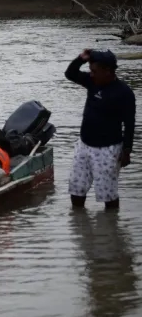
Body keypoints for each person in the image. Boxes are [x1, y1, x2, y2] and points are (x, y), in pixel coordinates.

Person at [65, 49, 135, 209]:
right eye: (90, 70)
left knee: (108, 195)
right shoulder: (92, 82)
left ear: (107, 71)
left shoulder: (124, 93)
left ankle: (110, 229)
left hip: (108, 150)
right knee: (76, 190)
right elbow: (70, 74)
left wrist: (127, 150)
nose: (91, 74)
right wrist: (80, 59)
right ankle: (79, 223)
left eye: (94, 71)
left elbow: (129, 124)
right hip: (84, 145)